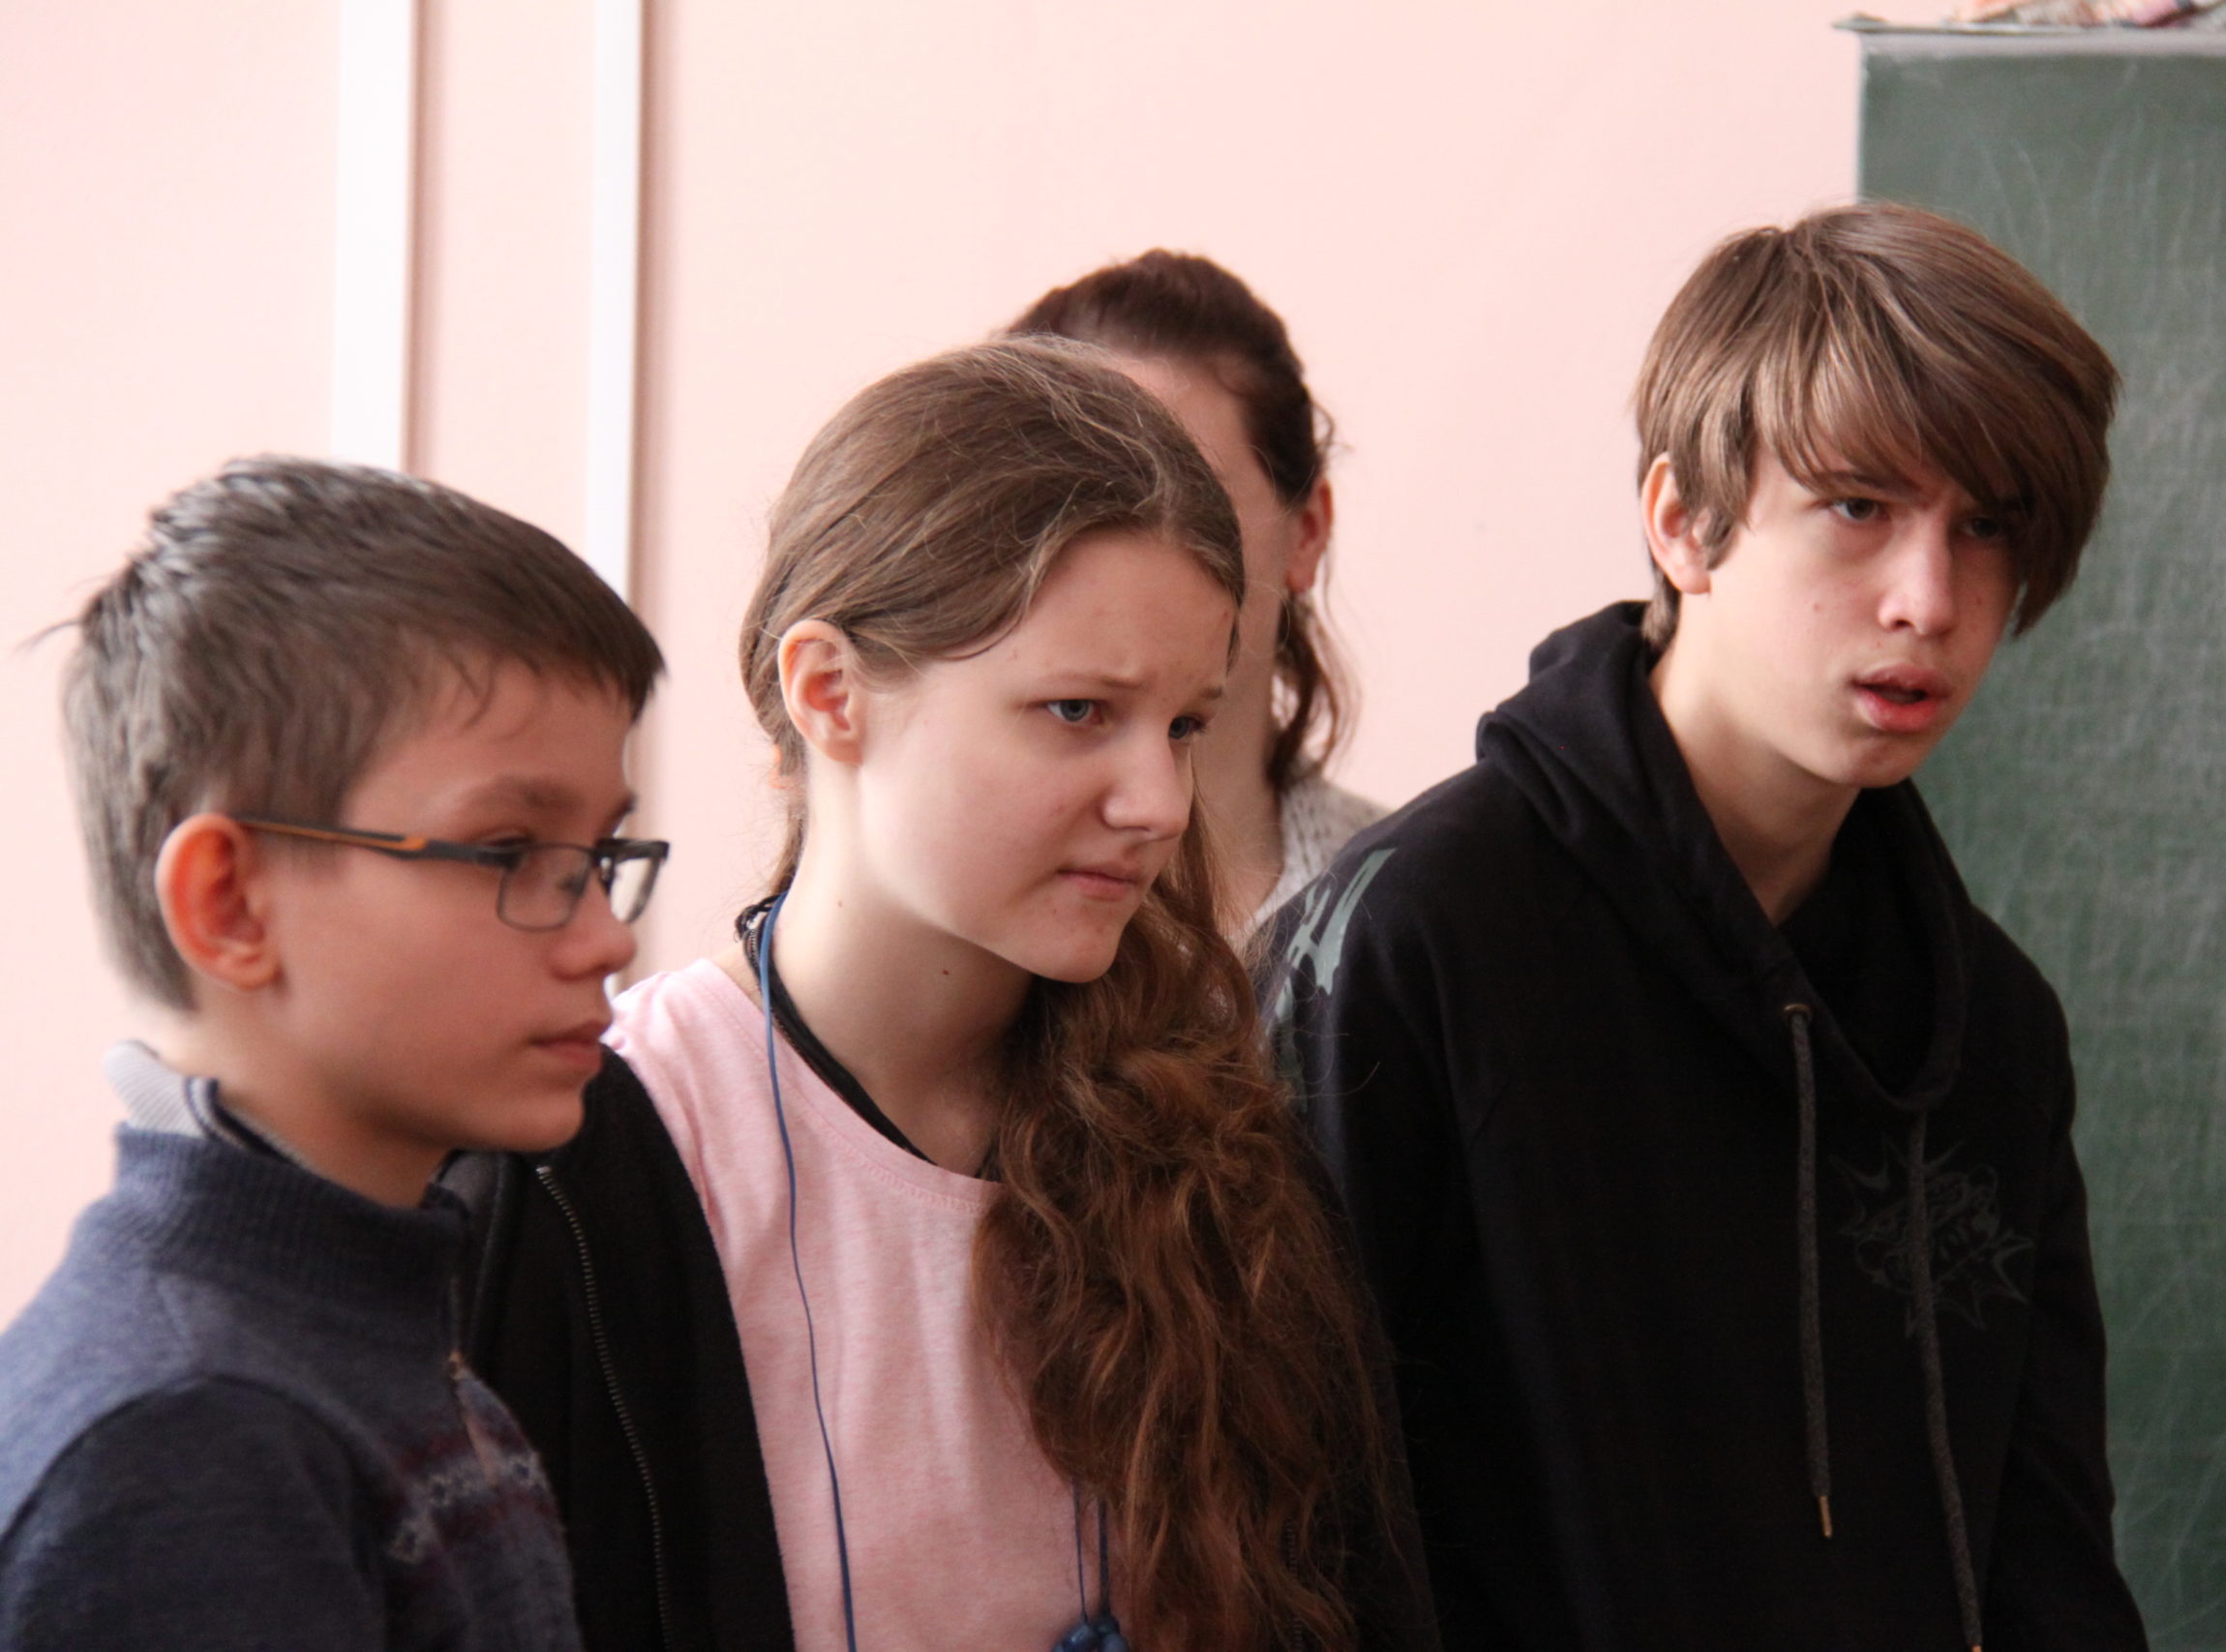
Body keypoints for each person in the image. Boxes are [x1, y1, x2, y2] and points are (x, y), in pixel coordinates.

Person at [1263, 202, 2150, 1651]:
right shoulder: (1418, 940)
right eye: (1857, 507)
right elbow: (1284, 1531)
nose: (1929, 600)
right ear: (1683, 522)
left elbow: (2048, 1563)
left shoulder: (1986, 1029)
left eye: (1985, 527)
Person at [462, 339, 1434, 1652]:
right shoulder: (584, 1178)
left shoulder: (1234, 1164)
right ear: (830, 694)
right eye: (1078, 710)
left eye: (1186, 723)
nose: (1158, 801)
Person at [0, 457, 667, 1649]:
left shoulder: (365, 1313)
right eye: (509, 852)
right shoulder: (192, 1436)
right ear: (231, 904)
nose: (608, 937)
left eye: (599, 856)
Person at [1010, 252, 1384, 935]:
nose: (1126, 559)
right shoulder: (945, 917)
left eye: (1195, 499)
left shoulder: (1423, 902)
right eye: (1070, 499)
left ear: (1306, 533)